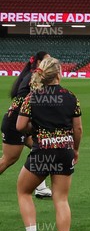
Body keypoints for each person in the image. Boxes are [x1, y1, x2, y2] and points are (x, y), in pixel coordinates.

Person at [16, 56, 82, 231]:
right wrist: (75, 149)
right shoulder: (71, 97)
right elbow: (77, 129)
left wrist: (33, 127)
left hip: (42, 151)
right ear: (59, 75)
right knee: (61, 199)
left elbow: (20, 126)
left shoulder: (32, 97)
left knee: (24, 191)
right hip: (64, 150)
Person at [1, 51, 52, 198]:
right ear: (38, 63)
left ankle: (40, 188)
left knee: (42, 149)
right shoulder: (34, 78)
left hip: (22, 122)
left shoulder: (30, 76)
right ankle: (40, 187)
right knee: (9, 159)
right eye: (46, 61)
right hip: (16, 123)